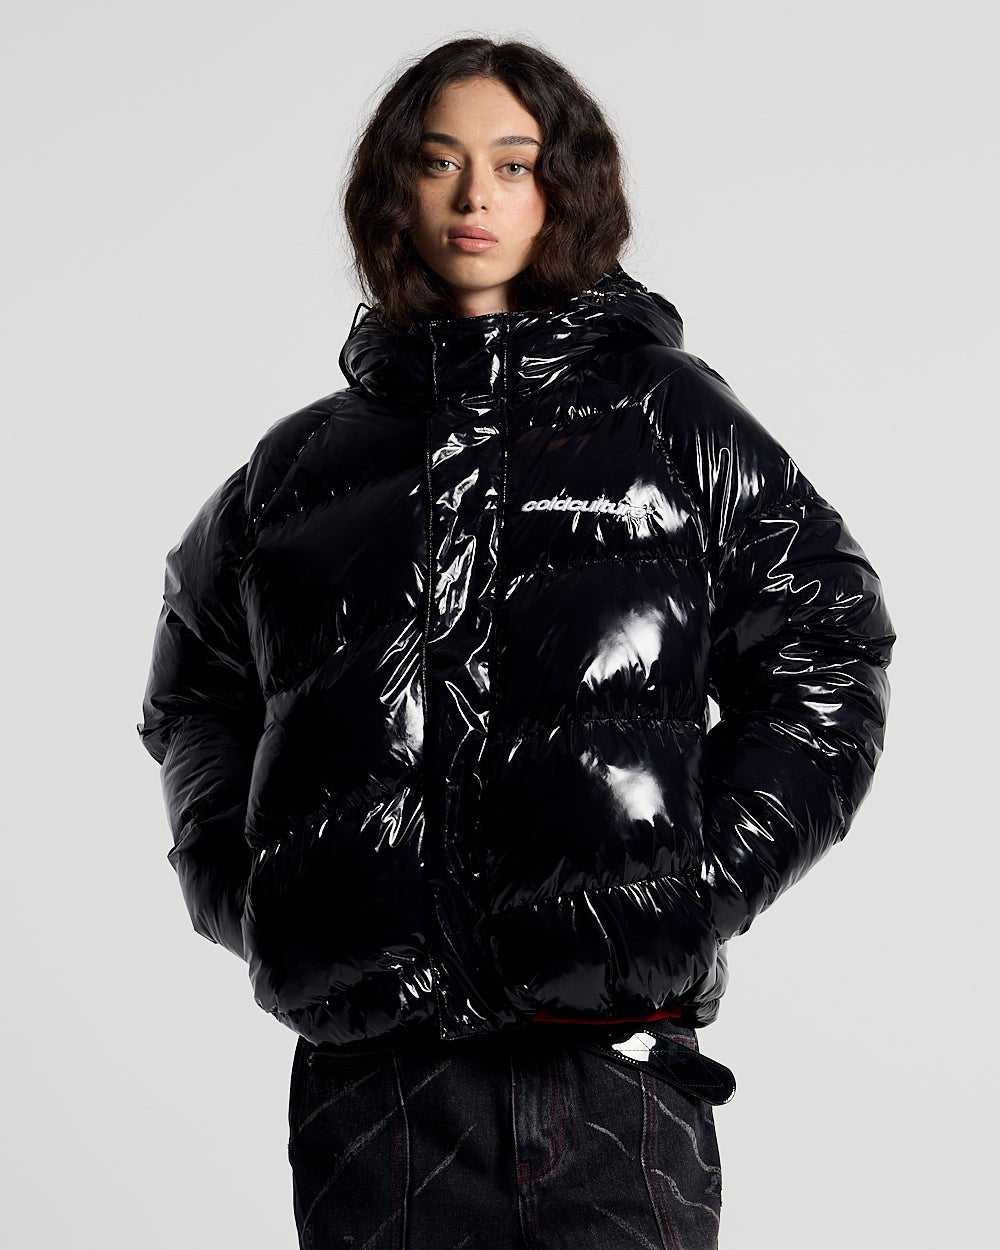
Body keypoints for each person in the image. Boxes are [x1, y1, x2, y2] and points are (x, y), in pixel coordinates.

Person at [136, 36, 896, 1250]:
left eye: (512, 163)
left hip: (611, 1072)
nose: (473, 196)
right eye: (438, 161)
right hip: (378, 1091)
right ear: (394, 189)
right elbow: (194, 694)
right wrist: (266, 895)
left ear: (564, 188)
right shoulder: (297, 468)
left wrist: (692, 885)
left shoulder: (670, 417)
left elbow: (826, 642)